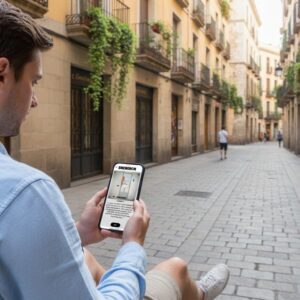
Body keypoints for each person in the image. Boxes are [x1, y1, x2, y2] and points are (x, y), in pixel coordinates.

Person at [0, 1, 230, 299]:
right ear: (2, 72)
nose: (35, 100)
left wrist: (77, 232)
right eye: (34, 81)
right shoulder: (26, 192)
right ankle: (195, 293)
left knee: (84, 257)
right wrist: (132, 245)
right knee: (176, 268)